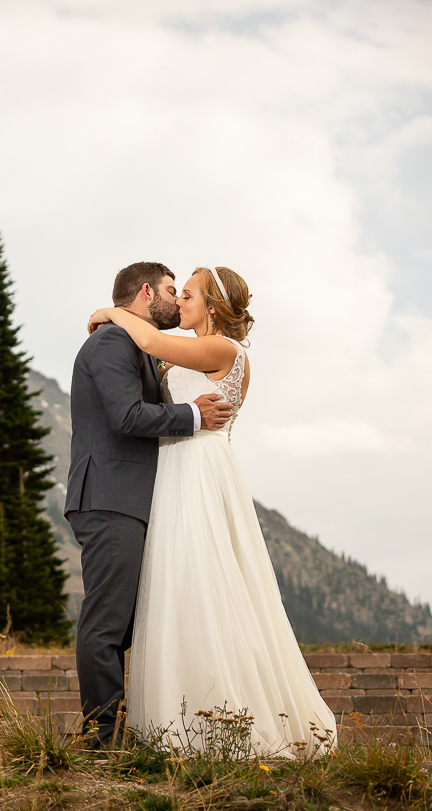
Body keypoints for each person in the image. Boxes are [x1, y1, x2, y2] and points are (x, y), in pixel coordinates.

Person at [88, 266, 336, 757]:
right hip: (175, 467)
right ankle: (183, 716)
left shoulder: (223, 349)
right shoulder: (194, 353)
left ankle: (223, 722)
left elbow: (154, 344)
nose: (179, 302)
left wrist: (109, 312)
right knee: (179, 585)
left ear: (213, 307)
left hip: (199, 468)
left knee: (203, 578)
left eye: (188, 295)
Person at [66, 263, 234, 748]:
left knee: (134, 616)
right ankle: (100, 735)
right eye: (168, 291)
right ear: (145, 293)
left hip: (132, 500)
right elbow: (126, 416)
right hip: (110, 497)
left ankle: (122, 722)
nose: (176, 300)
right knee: (107, 620)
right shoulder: (112, 343)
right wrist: (193, 414)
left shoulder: (131, 343)